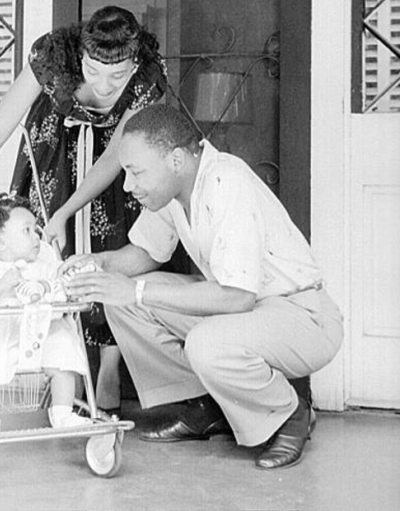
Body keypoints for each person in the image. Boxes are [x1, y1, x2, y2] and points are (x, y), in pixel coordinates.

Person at [62, 104, 344, 469]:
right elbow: (146, 252)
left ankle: (289, 414)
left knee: (201, 338)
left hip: (303, 316)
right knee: (122, 300)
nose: (128, 185)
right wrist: (98, 265)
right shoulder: (174, 189)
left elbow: (238, 297)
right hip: (253, 313)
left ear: (176, 159)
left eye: (136, 172)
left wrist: (133, 290)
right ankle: (210, 406)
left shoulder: (227, 181)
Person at [0, 6, 168, 414]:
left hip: (113, 162)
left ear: (133, 62)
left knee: (115, 242)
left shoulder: (147, 73)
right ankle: (53, 366)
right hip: (53, 149)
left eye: (116, 76)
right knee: (43, 256)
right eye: (93, 70)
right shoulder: (54, 54)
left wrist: (68, 211)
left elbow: (113, 156)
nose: (104, 86)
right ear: (81, 54)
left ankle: (108, 368)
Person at [0, 195, 91, 434]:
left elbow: (61, 288)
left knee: (63, 348)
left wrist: (47, 287)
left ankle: (62, 413)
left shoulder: (42, 266)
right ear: (0, 242)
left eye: (36, 229)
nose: (37, 237)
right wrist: (1, 285)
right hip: (0, 333)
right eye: (27, 231)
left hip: (40, 332)